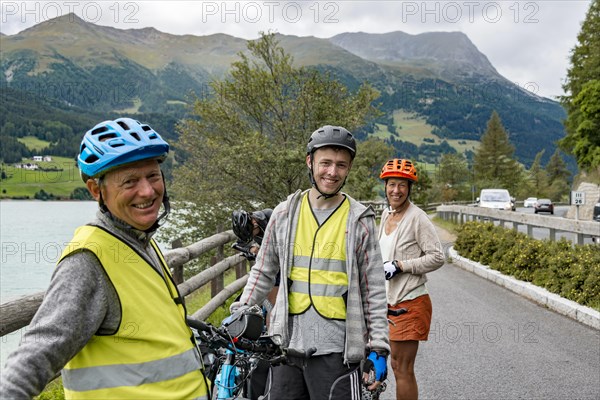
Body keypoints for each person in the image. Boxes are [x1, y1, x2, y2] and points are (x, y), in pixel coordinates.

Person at [0, 118, 209, 399]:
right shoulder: (89, 259)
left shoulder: (139, 239)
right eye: (130, 181)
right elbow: (32, 358)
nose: (147, 191)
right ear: (97, 190)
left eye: (153, 176)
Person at [232, 125, 390, 399]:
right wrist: (241, 311)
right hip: (285, 347)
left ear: (349, 168)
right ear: (310, 162)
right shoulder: (285, 213)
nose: (332, 172)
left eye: (341, 165)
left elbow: (373, 290)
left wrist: (378, 347)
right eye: (325, 163)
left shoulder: (359, 220)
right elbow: (263, 271)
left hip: (337, 352)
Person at [377, 158, 445, 400]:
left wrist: (401, 265)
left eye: (402, 185)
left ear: (409, 188)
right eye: (392, 184)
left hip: (410, 303)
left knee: (402, 368)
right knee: (386, 363)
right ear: (385, 186)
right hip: (386, 302)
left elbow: (437, 257)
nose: (396, 190)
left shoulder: (417, 218)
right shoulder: (386, 215)